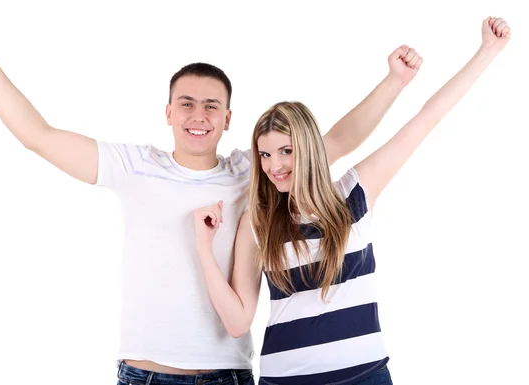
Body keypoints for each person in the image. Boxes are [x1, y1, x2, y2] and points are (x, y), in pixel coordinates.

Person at [0, 16, 421, 385]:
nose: (199, 115)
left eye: (211, 105)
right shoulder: (133, 166)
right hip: (144, 375)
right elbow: (40, 137)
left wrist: (395, 82)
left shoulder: (253, 170)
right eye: (187, 103)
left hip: (228, 375)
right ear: (168, 112)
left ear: (229, 117)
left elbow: (337, 139)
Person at [193, 16, 510, 385]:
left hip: (366, 376)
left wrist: (487, 51)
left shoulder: (354, 193)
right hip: (286, 380)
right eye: (264, 155)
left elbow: (428, 116)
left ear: (309, 149)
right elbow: (237, 322)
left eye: (285, 151)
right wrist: (204, 249)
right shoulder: (257, 221)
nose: (274, 165)